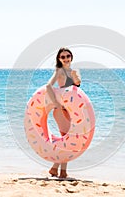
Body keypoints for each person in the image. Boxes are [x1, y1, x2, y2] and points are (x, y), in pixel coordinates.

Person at [46, 47, 81, 178]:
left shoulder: (74, 71)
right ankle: (61, 171)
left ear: (71, 57)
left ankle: (56, 169)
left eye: (68, 56)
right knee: (67, 140)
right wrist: (56, 104)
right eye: (63, 57)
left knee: (68, 140)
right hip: (61, 111)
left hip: (71, 112)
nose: (66, 59)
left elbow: (77, 84)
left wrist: (74, 75)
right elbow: (48, 86)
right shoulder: (59, 71)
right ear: (59, 59)